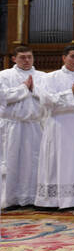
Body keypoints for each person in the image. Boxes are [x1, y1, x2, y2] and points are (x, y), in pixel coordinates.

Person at [35, 46, 74, 209]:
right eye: (73, 57)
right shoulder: (50, 77)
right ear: (63, 58)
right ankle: (53, 199)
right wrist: (70, 93)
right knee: (56, 157)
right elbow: (46, 99)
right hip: (58, 123)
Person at [0, 46, 46, 209]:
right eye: (22, 57)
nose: (27, 60)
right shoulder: (4, 75)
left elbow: (48, 97)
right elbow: (3, 97)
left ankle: (33, 197)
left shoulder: (42, 76)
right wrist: (23, 88)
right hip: (13, 125)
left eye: (29, 57)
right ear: (14, 59)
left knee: (34, 162)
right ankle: (10, 199)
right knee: (11, 161)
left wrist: (34, 89)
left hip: (34, 125)